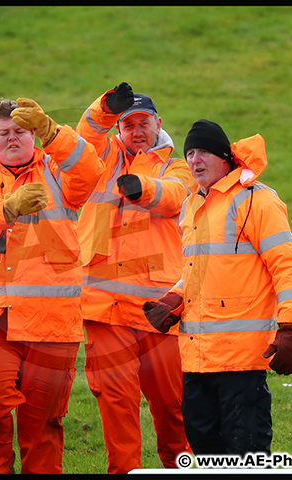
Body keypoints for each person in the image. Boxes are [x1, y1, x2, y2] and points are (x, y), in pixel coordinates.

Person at [0, 97, 104, 474]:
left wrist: (52, 131)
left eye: (21, 131)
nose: (13, 138)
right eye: (4, 133)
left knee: (45, 427)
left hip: (50, 323)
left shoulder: (57, 170)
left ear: (34, 136)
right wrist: (7, 208)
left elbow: (91, 171)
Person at [143, 119, 292, 456]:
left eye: (203, 151)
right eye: (189, 153)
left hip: (241, 358)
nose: (194, 160)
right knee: (205, 452)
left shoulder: (257, 200)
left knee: (246, 453)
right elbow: (198, 270)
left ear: (224, 157)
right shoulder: (191, 206)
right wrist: (174, 300)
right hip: (195, 358)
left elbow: (287, 268)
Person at [76, 82, 196, 473]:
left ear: (159, 124)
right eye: (128, 125)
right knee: (117, 406)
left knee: (173, 411)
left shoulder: (177, 167)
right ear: (119, 131)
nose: (137, 131)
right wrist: (104, 107)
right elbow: (86, 137)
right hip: (104, 311)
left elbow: (173, 196)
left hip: (158, 311)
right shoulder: (104, 158)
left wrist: (140, 188)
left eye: (144, 123)